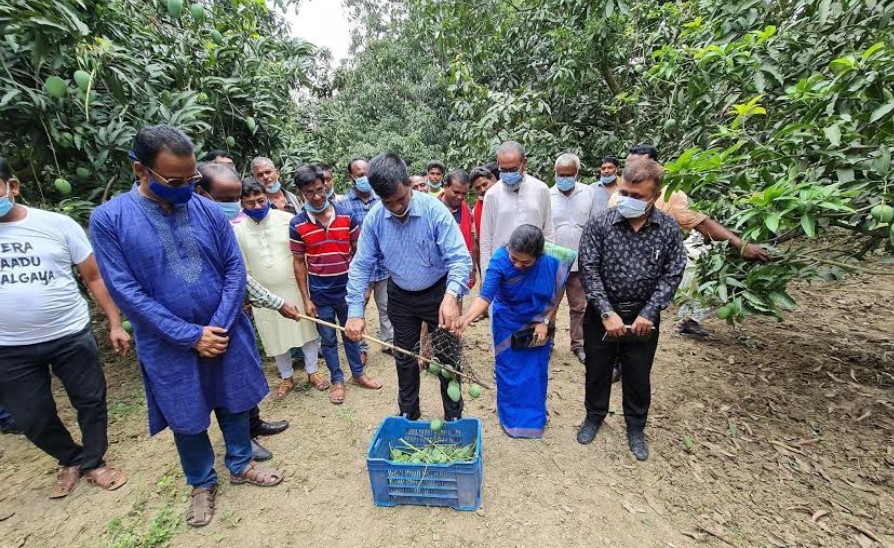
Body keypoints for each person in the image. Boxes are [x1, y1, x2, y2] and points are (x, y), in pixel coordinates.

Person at [91, 126, 283, 527]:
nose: (185, 188)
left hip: (225, 331)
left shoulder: (209, 210)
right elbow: (124, 290)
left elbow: (234, 270)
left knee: (234, 399)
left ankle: (241, 462)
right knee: (186, 413)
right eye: (174, 181)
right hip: (168, 344)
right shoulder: (110, 220)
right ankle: (200, 481)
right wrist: (189, 335)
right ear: (141, 170)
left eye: (191, 179)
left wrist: (216, 326)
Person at [0, 157, 129, 498]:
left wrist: (115, 322)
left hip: (68, 332)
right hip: (9, 345)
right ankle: (69, 457)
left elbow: (94, 276)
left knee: (90, 399)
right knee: (31, 416)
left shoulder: (56, 224)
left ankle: (94, 460)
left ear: (13, 186)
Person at [344, 153, 472, 421]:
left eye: (401, 198)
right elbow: (361, 266)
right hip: (400, 297)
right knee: (404, 357)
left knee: (447, 359)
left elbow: (460, 258)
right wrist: (355, 312)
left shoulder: (434, 211)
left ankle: (453, 416)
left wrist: (450, 297)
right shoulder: (376, 219)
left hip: (438, 293)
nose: (396, 207)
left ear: (409, 185)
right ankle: (408, 412)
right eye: (388, 202)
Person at [576, 159, 687, 461]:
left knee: (638, 373)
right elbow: (589, 267)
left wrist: (650, 312)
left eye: (638, 196)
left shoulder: (667, 229)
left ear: (655, 195)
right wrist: (605, 312)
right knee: (597, 369)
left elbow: (673, 271)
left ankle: (636, 426)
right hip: (602, 315)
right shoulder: (600, 223)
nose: (629, 200)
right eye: (625, 193)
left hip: (642, 319)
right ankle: (594, 416)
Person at [195, 162, 299, 461]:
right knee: (228, 386)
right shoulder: (201, 228)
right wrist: (276, 303)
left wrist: (277, 303)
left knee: (244, 376)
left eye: (235, 198)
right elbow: (239, 277)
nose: (234, 206)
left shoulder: (219, 225)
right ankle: (241, 441)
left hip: (231, 316)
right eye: (227, 199)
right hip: (211, 321)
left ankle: (253, 424)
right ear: (202, 193)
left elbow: (237, 275)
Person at [619, 144, 770, 336]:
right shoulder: (620, 194)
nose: (632, 171)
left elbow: (701, 223)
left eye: (638, 165)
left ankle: (689, 317)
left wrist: (739, 244)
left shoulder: (670, 196)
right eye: (628, 164)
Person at [457, 225, 575, 438]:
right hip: (508, 322)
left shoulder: (552, 260)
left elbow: (557, 293)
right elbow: (485, 297)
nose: (518, 265)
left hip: (538, 324)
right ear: (508, 249)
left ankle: (534, 418)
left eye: (526, 263)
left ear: (538, 257)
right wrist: (466, 318)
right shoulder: (500, 261)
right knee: (509, 370)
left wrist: (545, 321)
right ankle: (511, 419)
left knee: (535, 371)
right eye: (514, 260)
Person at [290, 165, 382, 404]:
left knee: (352, 334)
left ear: (326, 185)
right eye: (310, 193)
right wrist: (306, 298)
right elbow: (299, 262)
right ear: (301, 193)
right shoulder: (297, 224)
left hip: (348, 290)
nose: (318, 196)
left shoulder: (346, 216)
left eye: (320, 189)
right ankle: (337, 380)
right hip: (320, 292)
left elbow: (359, 254)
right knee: (328, 339)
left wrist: (365, 287)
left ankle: (358, 375)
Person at [234, 180, 325, 397]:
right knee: (274, 335)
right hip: (262, 294)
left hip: (294, 286)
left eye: (260, 201)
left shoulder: (287, 220)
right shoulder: (238, 231)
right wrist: (250, 296)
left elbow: (302, 255)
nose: (256, 206)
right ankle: (287, 377)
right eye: (250, 203)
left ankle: (312, 371)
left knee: (306, 329)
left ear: (267, 198)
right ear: (242, 204)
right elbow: (243, 267)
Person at [336, 157, 394, 364]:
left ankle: (389, 342)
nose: (365, 178)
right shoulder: (343, 204)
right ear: (352, 177)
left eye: (367, 174)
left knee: (387, 307)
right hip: (361, 268)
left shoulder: (382, 200)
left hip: (384, 267)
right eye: (360, 175)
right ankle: (360, 346)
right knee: (357, 307)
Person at [479, 141, 555, 284]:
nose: (508, 174)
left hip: (534, 264)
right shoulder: (492, 195)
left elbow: (548, 232)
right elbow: (486, 239)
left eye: (513, 170)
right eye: (504, 170)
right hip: (503, 267)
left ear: (524, 163)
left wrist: (547, 269)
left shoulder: (541, 190)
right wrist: (487, 276)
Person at [549, 153, 594, 364]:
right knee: (550, 304)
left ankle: (579, 344)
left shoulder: (589, 193)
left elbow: (594, 226)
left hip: (580, 261)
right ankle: (547, 341)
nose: (564, 178)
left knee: (579, 306)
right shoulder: (547, 195)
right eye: (560, 174)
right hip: (554, 262)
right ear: (555, 173)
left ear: (577, 173)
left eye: (568, 174)